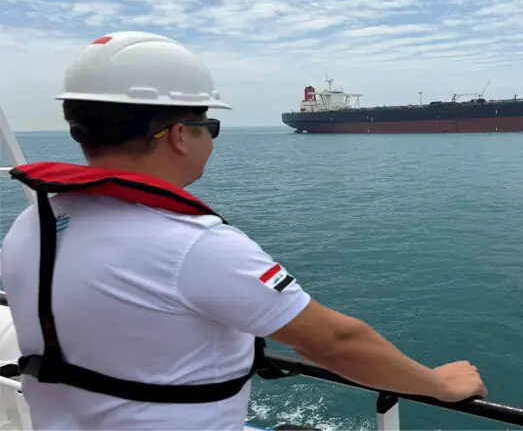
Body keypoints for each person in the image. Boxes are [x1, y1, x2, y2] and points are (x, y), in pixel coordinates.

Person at [0, 31, 487, 430]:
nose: (211, 140)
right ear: (179, 135)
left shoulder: (31, 226)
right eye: (209, 125)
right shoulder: (191, 243)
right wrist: (439, 385)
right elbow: (335, 342)